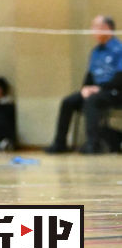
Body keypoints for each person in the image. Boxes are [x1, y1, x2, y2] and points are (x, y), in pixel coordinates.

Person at [46, 15, 122, 154]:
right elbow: (90, 76)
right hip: (97, 91)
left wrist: (99, 89)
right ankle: (60, 143)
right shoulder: (95, 52)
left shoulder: (119, 49)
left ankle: (93, 144)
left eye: (95, 26)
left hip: (115, 92)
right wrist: (85, 88)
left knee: (92, 101)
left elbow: (120, 78)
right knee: (68, 102)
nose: (92, 30)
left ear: (106, 28)